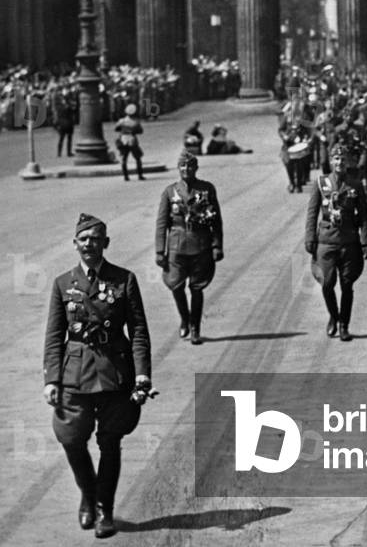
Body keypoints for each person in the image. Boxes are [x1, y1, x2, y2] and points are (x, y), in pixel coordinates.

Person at [43, 213, 154, 538]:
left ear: (106, 243)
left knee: (110, 441)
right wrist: (51, 379)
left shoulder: (124, 280)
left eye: (96, 239)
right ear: (75, 244)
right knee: (71, 438)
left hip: (114, 373)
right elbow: (54, 335)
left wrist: (142, 375)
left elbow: (138, 332)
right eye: (84, 239)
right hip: (74, 374)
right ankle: (88, 496)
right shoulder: (63, 284)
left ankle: (104, 509)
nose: (89, 244)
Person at [305, 142, 367, 342]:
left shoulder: (356, 184)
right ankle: (334, 317)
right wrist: (310, 238)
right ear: (331, 161)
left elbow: (364, 216)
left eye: (343, 159)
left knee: (346, 284)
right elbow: (312, 213)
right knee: (327, 283)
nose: (339, 162)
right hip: (326, 240)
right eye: (336, 158)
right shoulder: (321, 183)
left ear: (349, 161)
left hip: (349, 240)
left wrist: (366, 241)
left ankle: (344, 324)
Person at [155, 151, 223, 345]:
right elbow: (161, 223)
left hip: (201, 246)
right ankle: (184, 318)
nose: (186, 170)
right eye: (183, 166)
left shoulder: (207, 189)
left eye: (190, 166)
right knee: (175, 285)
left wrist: (217, 245)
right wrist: (160, 251)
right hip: (176, 246)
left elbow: (216, 221)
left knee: (197, 287)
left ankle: (195, 327)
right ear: (178, 169)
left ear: (196, 168)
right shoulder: (170, 192)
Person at [114, 103, 145, 181]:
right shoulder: (136, 122)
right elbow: (140, 131)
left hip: (123, 139)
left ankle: (126, 176)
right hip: (132, 140)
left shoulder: (122, 121)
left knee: (124, 158)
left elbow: (116, 128)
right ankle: (140, 175)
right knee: (138, 157)